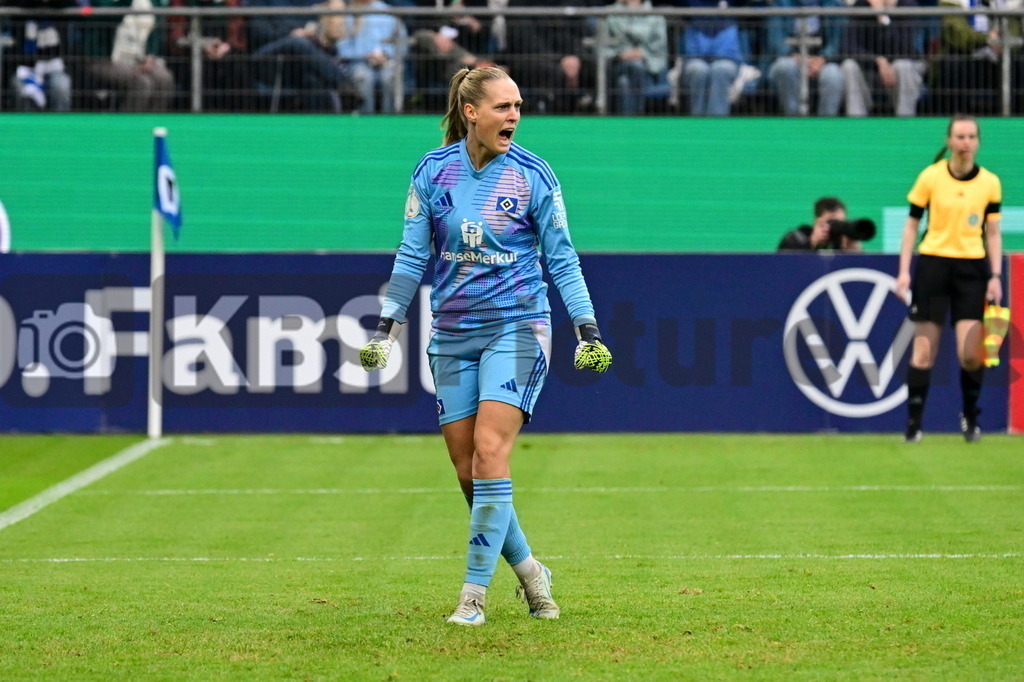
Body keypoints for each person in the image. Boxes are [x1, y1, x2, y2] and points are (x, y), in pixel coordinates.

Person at [359, 66, 612, 626]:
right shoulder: (432, 172)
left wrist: (586, 327)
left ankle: (472, 596)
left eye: (518, 106)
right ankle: (531, 574)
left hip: (519, 327)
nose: (515, 116)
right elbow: (410, 257)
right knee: (468, 470)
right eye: (503, 107)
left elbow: (562, 258)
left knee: (491, 452)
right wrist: (386, 327)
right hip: (451, 332)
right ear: (471, 112)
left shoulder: (533, 176)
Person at [894, 115, 1002, 443]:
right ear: (949, 140)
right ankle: (914, 425)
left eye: (971, 137)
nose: (966, 142)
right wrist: (903, 271)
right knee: (924, 350)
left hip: (972, 271)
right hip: (934, 267)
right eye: (960, 136)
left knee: (970, 353)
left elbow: (993, 232)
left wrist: (995, 275)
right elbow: (911, 225)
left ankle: (970, 417)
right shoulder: (930, 177)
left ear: (978, 142)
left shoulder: (990, 183)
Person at [77, 0, 176, 112]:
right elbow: (109, 15)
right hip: (104, 60)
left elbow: (156, 29)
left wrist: (150, 55)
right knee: (141, 83)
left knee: (164, 78)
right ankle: (128, 126)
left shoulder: (153, 3)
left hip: (139, 58)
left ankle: (152, 124)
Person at [840, 0, 928, 117]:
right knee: (849, 65)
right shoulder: (861, 5)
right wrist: (877, 60)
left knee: (903, 66)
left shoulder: (908, 5)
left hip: (905, 65)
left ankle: (905, 121)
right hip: (871, 67)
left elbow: (904, 48)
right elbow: (848, 46)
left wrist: (882, 17)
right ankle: (856, 121)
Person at [766, 0, 846, 116]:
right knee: (784, 67)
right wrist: (795, 57)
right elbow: (775, 39)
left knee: (833, 74)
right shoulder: (780, 4)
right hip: (790, 58)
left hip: (821, 61)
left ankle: (826, 127)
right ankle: (795, 122)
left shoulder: (833, 5)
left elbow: (837, 40)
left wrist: (823, 58)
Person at [335, 0, 406, 113]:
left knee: (389, 77)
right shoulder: (348, 14)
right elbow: (342, 46)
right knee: (363, 76)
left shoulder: (388, 12)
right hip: (358, 61)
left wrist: (386, 54)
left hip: (387, 60)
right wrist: (364, 55)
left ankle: (390, 120)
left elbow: (401, 42)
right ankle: (365, 122)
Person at [603, 0, 669, 115]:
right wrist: (620, 54)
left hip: (649, 67)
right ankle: (635, 121)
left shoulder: (656, 16)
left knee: (624, 82)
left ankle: (627, 124)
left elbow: (659, 47)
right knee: (635, 66)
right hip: (617, 64)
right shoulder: (609, 14)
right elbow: (603, 45)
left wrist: (642, 53)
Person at [777, 197, 869, 251]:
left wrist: (854, 252)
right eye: (831, 222)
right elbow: (783, 266)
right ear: (816, 221)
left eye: (841, 223)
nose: (836, 227)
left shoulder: (843, 242)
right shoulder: (797, 237)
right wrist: (811, 244)